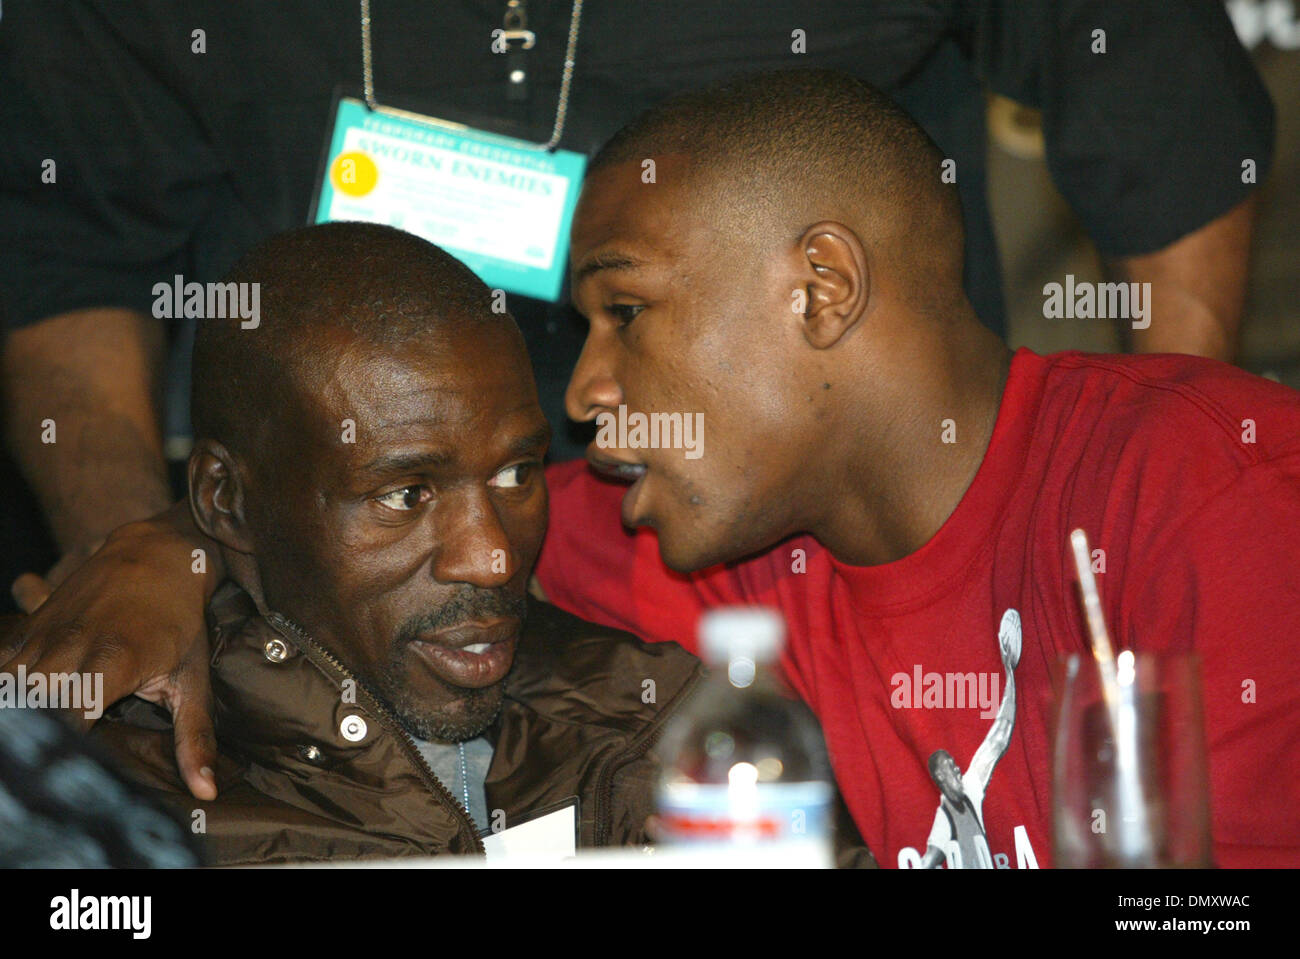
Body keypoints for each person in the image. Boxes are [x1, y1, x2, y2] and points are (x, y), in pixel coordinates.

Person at [8, 70, 1298, 868]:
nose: (581, 397)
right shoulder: (653, 530)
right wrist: (169, 544)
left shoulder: (1203, 489)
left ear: (821, 287)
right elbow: (364, 525)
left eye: (623, 312)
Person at [0, 0, 1274, 610]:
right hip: (326, 555)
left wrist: (1122, 542)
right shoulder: (516, 539)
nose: (584, 386)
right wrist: (148, 554)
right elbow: (59, 239)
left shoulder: (1215, 525)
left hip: (837, 546)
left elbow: (1155, 100)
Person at [69, 222, 704, 864]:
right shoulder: (92, 802)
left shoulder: (670, 727)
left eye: (514, 475)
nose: (492, 558)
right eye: (405, 495)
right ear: (225, 500)